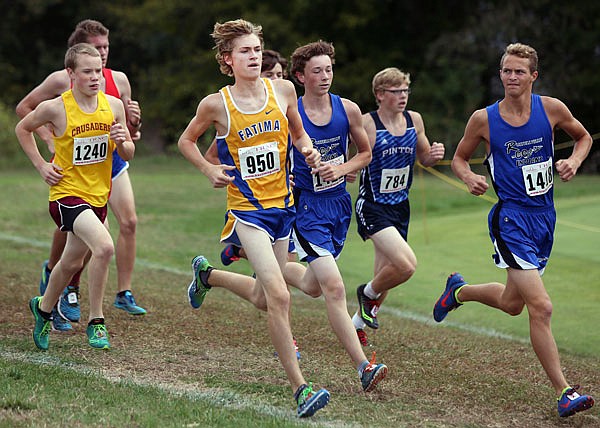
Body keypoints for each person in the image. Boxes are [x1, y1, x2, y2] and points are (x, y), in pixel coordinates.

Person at [432, 43, 594, 417]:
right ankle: (564, 391)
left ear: (533, 76)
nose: (511, 77)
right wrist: (470, 175)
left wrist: (574, 159)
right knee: (541, 307)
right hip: (510, 221)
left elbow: (583, 137)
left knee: (512, 304)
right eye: (506, 71)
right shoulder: (484, 119)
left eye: (519, 71)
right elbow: (458, 158)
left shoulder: (551, 109)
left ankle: (459, 291)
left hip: (544, 219)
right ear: (500, 74)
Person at [178, 19, 329, 418]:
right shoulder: (217, 104)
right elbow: (186, 141)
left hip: (283, 206)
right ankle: (301, 388)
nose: (254, 56)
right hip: (247, 213)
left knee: (265, 298)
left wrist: (309, 151)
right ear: (227, 59)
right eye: (244, 51)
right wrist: (209, 170)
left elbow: (298, 133)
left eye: (257, 49)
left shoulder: (282, 90)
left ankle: (207, 276)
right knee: (280, 295)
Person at [16, 19, 145, 332]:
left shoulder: (113, 104)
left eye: (98, 69)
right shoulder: (56, 106)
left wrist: (123, 138)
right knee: (104, 247)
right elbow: (23, 126)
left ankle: (44, 308)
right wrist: (42, 163)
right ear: (71, 73)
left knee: (71, 262)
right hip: (66, 192)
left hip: (98, 190)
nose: (96, 75)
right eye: (88, 70)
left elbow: (128, 152)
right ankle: (96, 320)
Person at [284, 40, 388, 392]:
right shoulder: (290, 112)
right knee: (334, 286)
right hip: (307, 209)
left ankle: (268, 267)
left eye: (329, 69)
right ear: (300, 76)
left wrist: (340, 168)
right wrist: (290, 176)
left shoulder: (348, 109)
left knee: (313, 286)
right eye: (317, 71)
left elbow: (366, 154)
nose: (325, 76)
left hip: (338, 207)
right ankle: (363, 366)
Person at [351, 68, 445, 346]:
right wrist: (347, 170)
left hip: (400, 206)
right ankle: (366, 293)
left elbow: (425, 156)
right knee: (405, 266)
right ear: (380, 95)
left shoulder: (414, 120)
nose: (403, 97)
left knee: (387, 274)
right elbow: (351, 155)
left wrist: (433, 155)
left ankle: (356, 324)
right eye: (396, 92)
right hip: (373, 206)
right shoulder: (368, 123)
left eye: (405, 91)